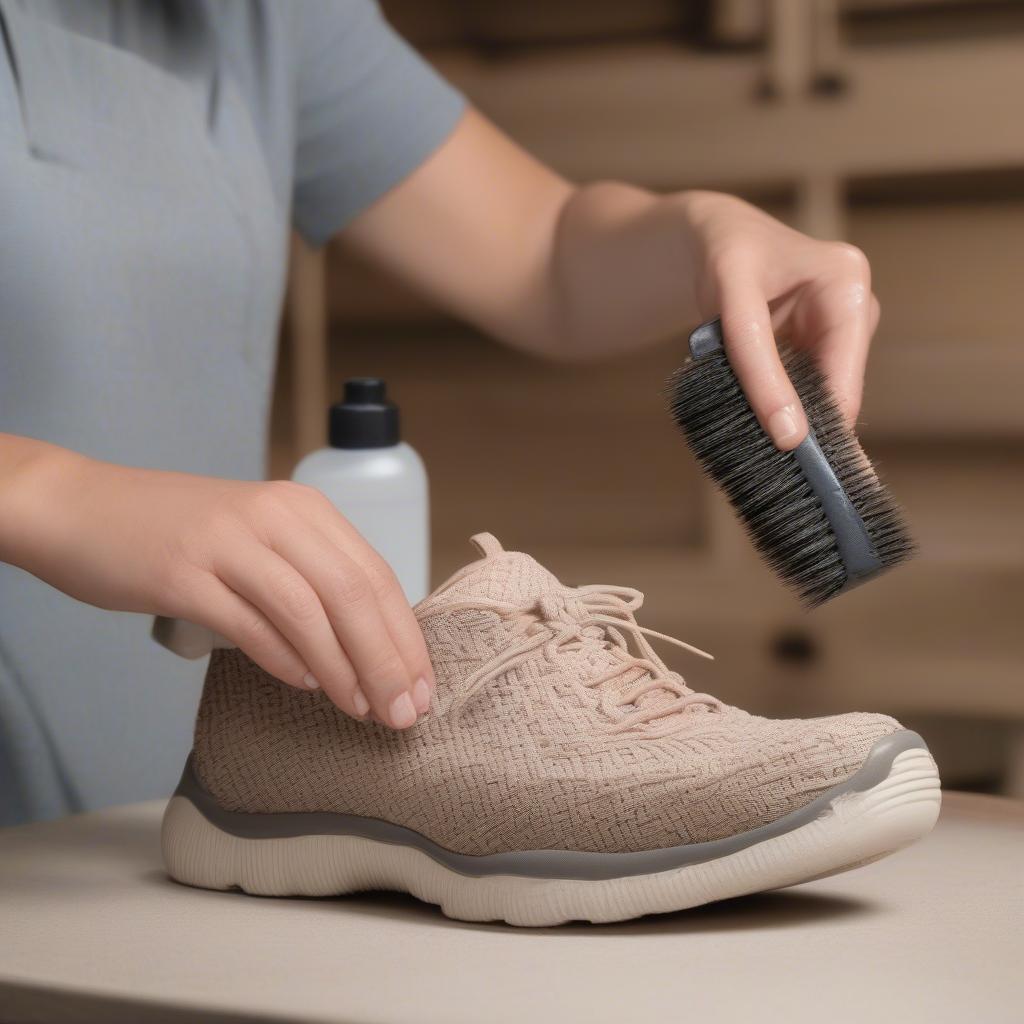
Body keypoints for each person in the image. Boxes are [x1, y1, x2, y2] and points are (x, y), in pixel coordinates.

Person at [0, 0, 879, 824]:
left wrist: (703, 232)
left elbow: (542, 249)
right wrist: (44, 491)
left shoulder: (271, 18)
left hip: (152, 823)